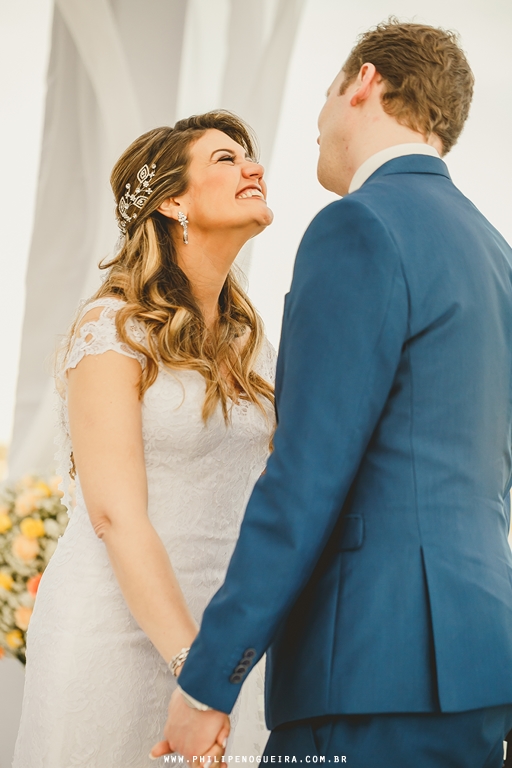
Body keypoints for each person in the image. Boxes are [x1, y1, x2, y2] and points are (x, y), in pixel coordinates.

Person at [152, 20, 512, 768]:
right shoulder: (496, 254)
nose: (318, 125)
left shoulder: (358, 225)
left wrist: (207, 683)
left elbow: (307, 477)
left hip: (367, 674)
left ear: (364, 84)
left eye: (325, 95)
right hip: (480, 668)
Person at [12, 111, 275, 767]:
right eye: (224, 158)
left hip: (223, 645)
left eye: (250, 155)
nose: (253, 167)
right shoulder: (113, 327)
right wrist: (195, 669)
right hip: (115, 636)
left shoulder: (250, 342)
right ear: (172, 201)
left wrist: (224, 664)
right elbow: (114, 514)